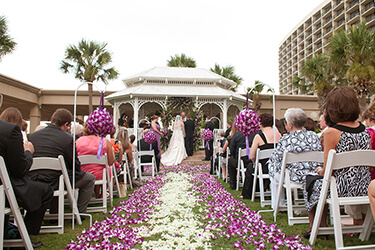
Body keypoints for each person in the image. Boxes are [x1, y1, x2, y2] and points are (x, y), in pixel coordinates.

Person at [303, 86, 371, 238]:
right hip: (364, 185)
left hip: (340, 188)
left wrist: (320, 171)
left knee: (310, 182)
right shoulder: (365, 131)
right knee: (317, 182)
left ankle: (317, 227)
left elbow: (329, 170)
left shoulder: (332, 132)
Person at [29, 108, 95, 215]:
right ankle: (80, 212)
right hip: (57, 181)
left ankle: (54, 212)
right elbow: (74, 165)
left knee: (59, 174)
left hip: (34, 180)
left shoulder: (33, 136)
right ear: (66, 124)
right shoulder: (67, 139)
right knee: (89, 178)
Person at [0, 108, 53, 240]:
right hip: (5, 192)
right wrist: (28, 152)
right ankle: (23, 235)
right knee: (45, 191)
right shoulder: (9, 131)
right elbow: (20, 170)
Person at [268, 108, 322, 209]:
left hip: (293, 177)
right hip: (313, 174)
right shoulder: (314, 136)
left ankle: (278, 204)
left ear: (290, 125)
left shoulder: (286, 140)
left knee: (272, 166)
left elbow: (276, 158)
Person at [76, 122, 115, 198]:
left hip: (82, 174)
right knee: (108, 169)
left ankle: (96, 193)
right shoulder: (105, 142)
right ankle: (103, 193)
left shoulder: (78, 141)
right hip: (101, 175)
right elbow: (110, 162)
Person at [250, 113, 281, 192]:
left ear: (260, 124)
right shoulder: (279, 135)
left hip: (263, 168)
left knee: (250, 167)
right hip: (278, 167)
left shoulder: (258, 137)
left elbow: (252, 156)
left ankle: (253, 191)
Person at [227, 127, 255, 195]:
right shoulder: (254, 135)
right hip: (253, 162)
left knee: (230, 160)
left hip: (240, 162)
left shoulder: (237, 135)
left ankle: (233, 184)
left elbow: (232, 150)